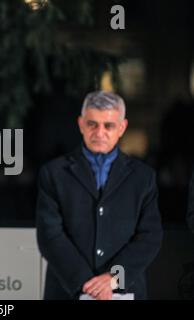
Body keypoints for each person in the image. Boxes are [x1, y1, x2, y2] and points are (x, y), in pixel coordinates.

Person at [36, 91, 163, 300]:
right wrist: (89, 284)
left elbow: (150, 237)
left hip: (125, 292)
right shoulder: (54, 173)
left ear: (122, 128)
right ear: (80, 124)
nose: (99, 132)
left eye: (109, 125)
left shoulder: (143, 177)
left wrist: (114, 278)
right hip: (67, 292)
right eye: (92, 124)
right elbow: (50, 235)